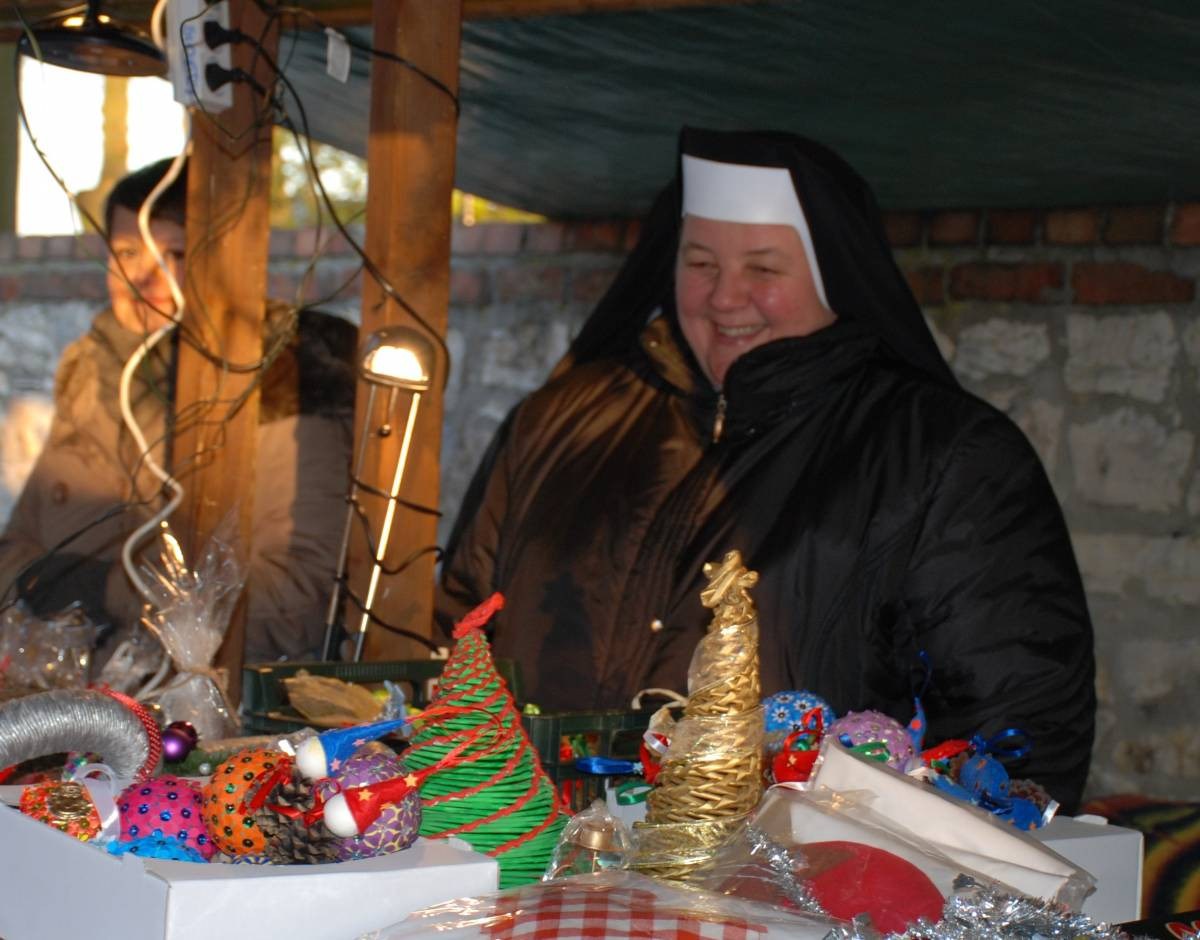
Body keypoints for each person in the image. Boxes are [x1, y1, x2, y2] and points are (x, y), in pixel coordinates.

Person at [437, 128, 1095, 810]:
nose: (725, 297)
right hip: (517, 861)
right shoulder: (557, 421)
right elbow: (459, 635)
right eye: (700, 263)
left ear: (833, 274)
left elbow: (1022, 738)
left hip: (794, 900)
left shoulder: (947, 458)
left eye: (763, 269)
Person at [0, 158, 357, 666]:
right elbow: (14, 555)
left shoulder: (281, 380)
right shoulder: (92, 374)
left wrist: (109, 593)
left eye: (175, 253)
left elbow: (297, 602)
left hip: (200, 718)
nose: (143, 277)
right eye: (126, 252)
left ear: (225, 261)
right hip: (67, 699)